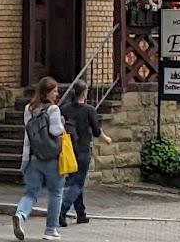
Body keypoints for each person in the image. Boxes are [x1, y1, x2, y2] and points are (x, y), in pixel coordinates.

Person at [13, 75, 66, 241]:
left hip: (33, 157)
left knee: (30, 193)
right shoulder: (53, 109)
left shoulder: (29, 108)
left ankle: (20, 216)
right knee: (56, 193)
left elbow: (28, 136)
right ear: (48, 92)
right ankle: (50, 230)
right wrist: (63, 122)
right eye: (55, 91)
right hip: (52, 158)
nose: (56, 95)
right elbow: (56, 131)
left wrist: (24, 161)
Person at [58, 79, 110, 226]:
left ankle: (81, 214)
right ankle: (61, 211)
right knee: (77, 183)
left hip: (69, 149)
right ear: (85, 93)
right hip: (83, 149)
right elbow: (96, 130)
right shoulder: (89, 110)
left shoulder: (65, 108)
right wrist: (106, 139)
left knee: (76, 180)